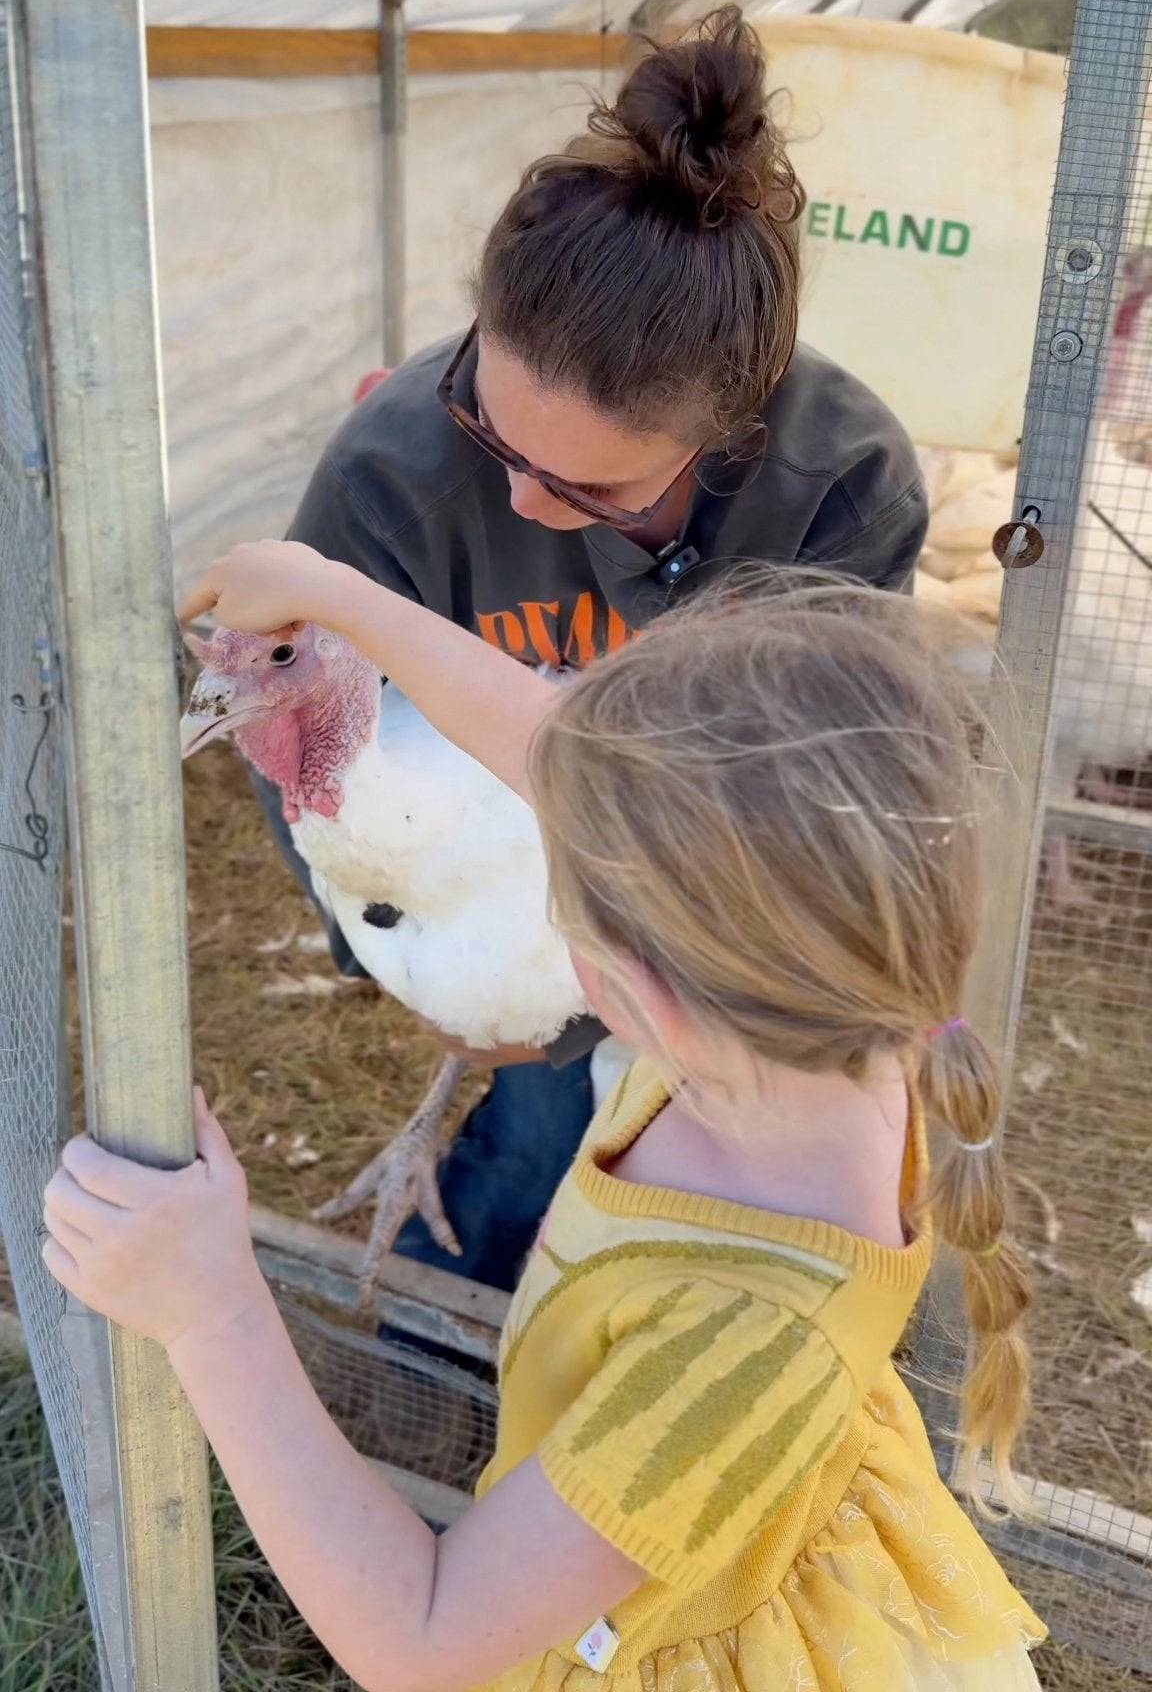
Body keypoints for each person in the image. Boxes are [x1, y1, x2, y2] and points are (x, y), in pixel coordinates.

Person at [44, 546, 1043, 1691]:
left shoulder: (746, 1336)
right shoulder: (833, 1009)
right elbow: (548, 743)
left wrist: (212, 1307)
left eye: (558, 870)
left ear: (628, 981)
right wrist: (330, 595)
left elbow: (418, 1636)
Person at [251, 6, 929, 1292]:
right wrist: (409, 965)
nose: (520, 505)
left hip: (721, 918)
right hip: (503, 930)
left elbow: (807, 787)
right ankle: (444, 1364)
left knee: (735, 1202)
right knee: (528, 1153)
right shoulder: (392, 473)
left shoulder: (844, 477)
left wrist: (677, 975)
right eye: (495, 438)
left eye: (591, 491)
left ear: (729, 430)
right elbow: (302, 754)